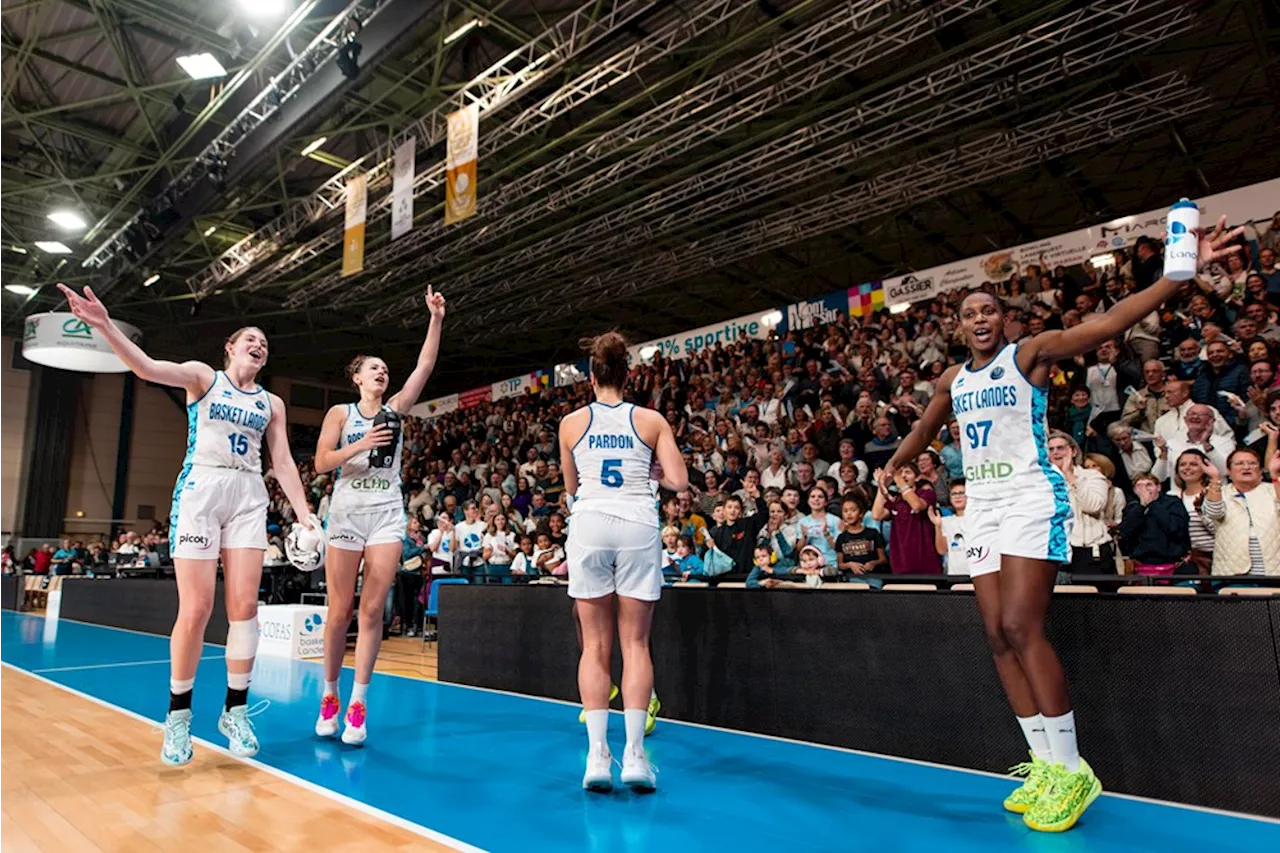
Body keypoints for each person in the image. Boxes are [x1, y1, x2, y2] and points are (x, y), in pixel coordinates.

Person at [881, 215, 1240, 833]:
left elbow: (1109, 322)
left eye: (989, 308)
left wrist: (1175, 275)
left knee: (1022, 625)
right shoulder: (952, 377)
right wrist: (894, 462)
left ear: (1004, 319)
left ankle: (1074, 769)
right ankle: (1043, 763)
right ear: (959, 326)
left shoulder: (1031, 354)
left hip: (1029, 497)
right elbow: (924, 426)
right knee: (996, 635)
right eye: (969, 312)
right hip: (985, 506)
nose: (980, 318)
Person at [58, 284, 314, 767]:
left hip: (248, 495)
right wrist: (106, 325)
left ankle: (234, 711)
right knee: (196, 609)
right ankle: (178, 716)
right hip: (202, 489)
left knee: (245, 610)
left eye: (265, 343)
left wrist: (304, 513)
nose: (259, 346)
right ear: (230, 349)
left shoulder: (272, 404)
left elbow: (281, 461)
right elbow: (147, 368)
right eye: (250, 340)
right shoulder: (204, 377)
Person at [312, 287, 445, 746]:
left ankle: (358, 703)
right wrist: (360, 445)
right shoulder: (340, 412)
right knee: (339, 611)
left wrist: (435, 319)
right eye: (374, 368)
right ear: (357, 378)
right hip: (346, 513)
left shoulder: (396, 409)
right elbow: (322, 462)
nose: (382, 372)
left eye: (385, 369)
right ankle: (329, 694)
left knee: (372, 611)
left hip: (386, 514)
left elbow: (424, 367)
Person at [559, 331, 687, 792]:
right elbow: (678, 480)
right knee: (635, 644)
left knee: (595, 647)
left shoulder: (571, 423)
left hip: (590, 523)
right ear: (627, 374)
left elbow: (571, 488)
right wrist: (654, 469)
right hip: (637, 523)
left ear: (592, 376)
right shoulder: (651, 419)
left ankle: (597, 756)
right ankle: (634, 756)